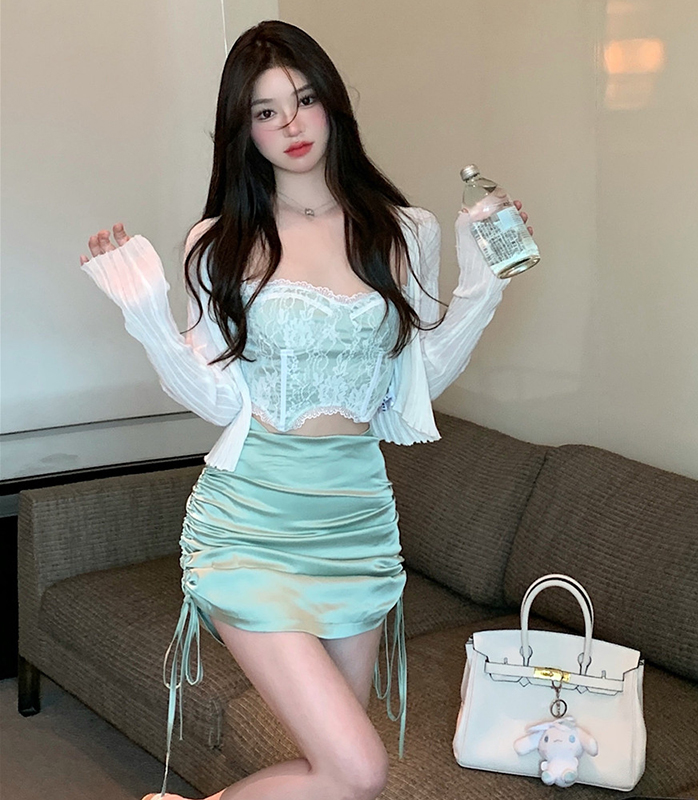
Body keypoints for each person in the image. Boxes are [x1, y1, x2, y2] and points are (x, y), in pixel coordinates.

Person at [78, 20, 533, 800]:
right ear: (244, 130)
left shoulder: (404, 231)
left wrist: (484, 286)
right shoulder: (220, 243)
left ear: (333, 104)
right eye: (265, 111)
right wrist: (147, 316)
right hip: (251, 521)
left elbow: (414, 379)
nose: (290, 124)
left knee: (335, 783)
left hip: (356, 521)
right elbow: (216, 397)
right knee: (360, 770)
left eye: (305, 99)